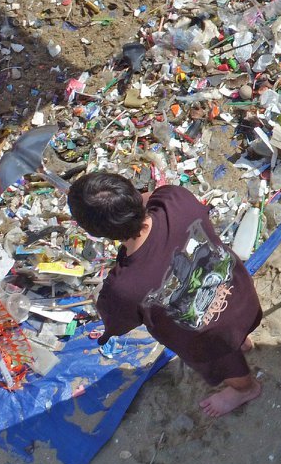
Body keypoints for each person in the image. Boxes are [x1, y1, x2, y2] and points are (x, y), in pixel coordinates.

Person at [69, 172, 264, 418]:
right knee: (234, 328)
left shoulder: (123, 286)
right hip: (239, 293)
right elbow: (152, 198)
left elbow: (117, 323)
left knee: (226, 361)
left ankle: (246, 388)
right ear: (133, 195)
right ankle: (242, 339)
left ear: (97, 233)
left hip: (207, 336)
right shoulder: (174, 198)